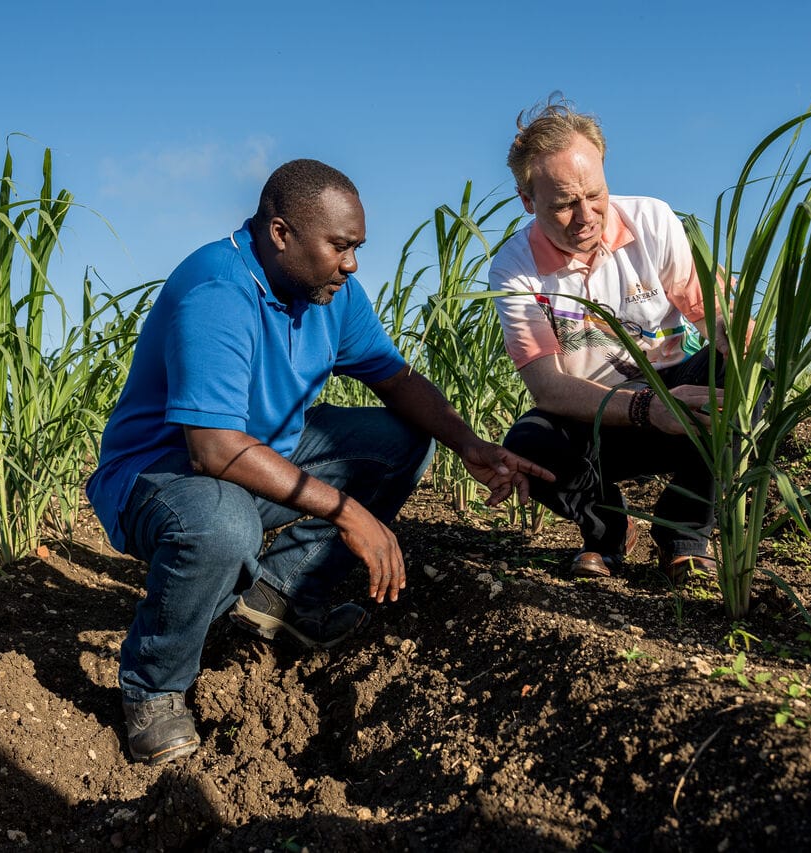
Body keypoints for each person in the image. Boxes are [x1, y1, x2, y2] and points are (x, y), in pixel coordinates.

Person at [87, 158, 553, 766]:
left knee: (402, 439)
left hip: (263, 459)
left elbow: (395, 379)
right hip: (163, 478)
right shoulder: (217, 291)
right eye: (339, 246)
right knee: (223, 526)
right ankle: (153, 688)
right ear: (281, 233)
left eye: (357, 247)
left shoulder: (331, 295)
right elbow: (213, 448)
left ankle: (280, 596)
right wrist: (347, 511)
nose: (352, 264)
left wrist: (469, 444)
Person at [490, 99, 746, 584]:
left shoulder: (654, 220)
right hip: (597, 414)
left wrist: (733, 335)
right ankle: (609, 532)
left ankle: (684, 534)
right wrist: (648, 407)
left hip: (678, 392)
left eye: (595, 195)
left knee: (748, 375)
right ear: (527, 200)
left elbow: (710, 312)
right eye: (563, 204)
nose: (585, 216)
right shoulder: (514, 269)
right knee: (529, 443)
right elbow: (548, 387)